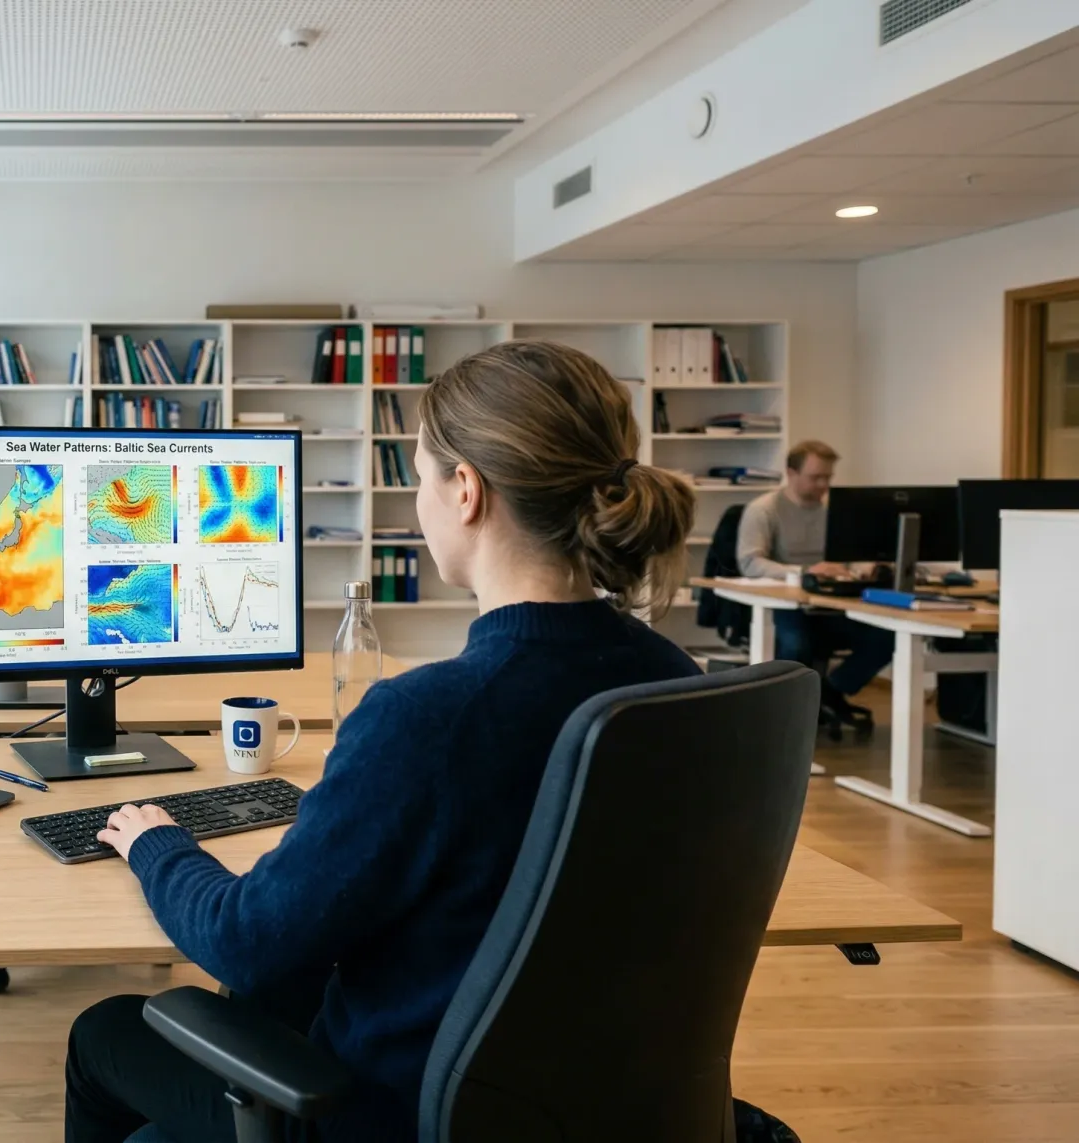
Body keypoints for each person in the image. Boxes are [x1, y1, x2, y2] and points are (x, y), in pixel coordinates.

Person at [62, 340, 802, 1143]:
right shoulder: (670, 682)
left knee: (104, 1034)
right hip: (601, 1107)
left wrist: (157, 844)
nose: (418, 501)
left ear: (466, 490)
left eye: (419, 476)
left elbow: (244, 941)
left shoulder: (427, 717)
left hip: (399, 1114)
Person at [735, 439, 890, 727]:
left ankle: (830, 691)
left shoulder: (835, 511)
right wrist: (805, 571)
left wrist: (865, 567)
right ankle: (788, 715)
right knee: (796, 643)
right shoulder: (764, 510)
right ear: (791, 474)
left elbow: (848, 558)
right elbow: (750, 562)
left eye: (828, 477)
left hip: (830, 604)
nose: (823, 485)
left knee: (885, 636)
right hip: (784, 606)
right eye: (815, 477)